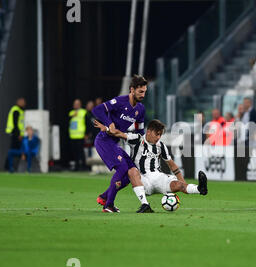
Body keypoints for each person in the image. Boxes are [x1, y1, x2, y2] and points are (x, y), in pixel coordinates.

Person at [94, 119, 208, 213]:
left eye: (160, 135)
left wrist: (183, 184)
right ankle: (145, 205)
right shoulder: (137, 139)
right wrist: (108, 129)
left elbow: (172, 165)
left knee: (178, 185)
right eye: (156, 134)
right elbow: (120, 134)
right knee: (132, 171)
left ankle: (200, 189)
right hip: (142, 180)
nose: (158, 137)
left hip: (159, 177)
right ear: (148, 132)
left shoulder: (161, 146)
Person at [92, 75, 151, 213]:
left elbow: (140, 131)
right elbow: (97, 110)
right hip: (104, 140)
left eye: (145, 92)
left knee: (132, 171)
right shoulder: (120, 101)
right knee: (123, 167)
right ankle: (108, 205)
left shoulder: (140, 109)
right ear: (132, 90)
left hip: (115, 142)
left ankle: (104, 196)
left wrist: (138, 140)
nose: (143, 95)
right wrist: (109, 123)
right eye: (140, 92)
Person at [5, 97, 26, 171]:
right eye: (23, 102)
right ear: (19, 102)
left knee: (14, 150)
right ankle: (8, 167)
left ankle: (12, 167)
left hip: (18, 134)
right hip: (15, 134)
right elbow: (15, 123)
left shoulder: (21, 111)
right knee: (14, 150)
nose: (24, 103)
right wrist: (18, 134)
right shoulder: (16, 110)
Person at [68, 99, 87, 171]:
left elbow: (87, 124)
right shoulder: (71, 113)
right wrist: (72, 115)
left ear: (80, 104)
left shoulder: (83, 112)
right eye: (74, 103)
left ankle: (84, 166)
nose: (75, 105)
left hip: (80, 135)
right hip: (73, 136)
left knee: (81, 152)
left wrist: (86, 134)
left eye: (77, 103)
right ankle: (76, 167)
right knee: (75, 152)